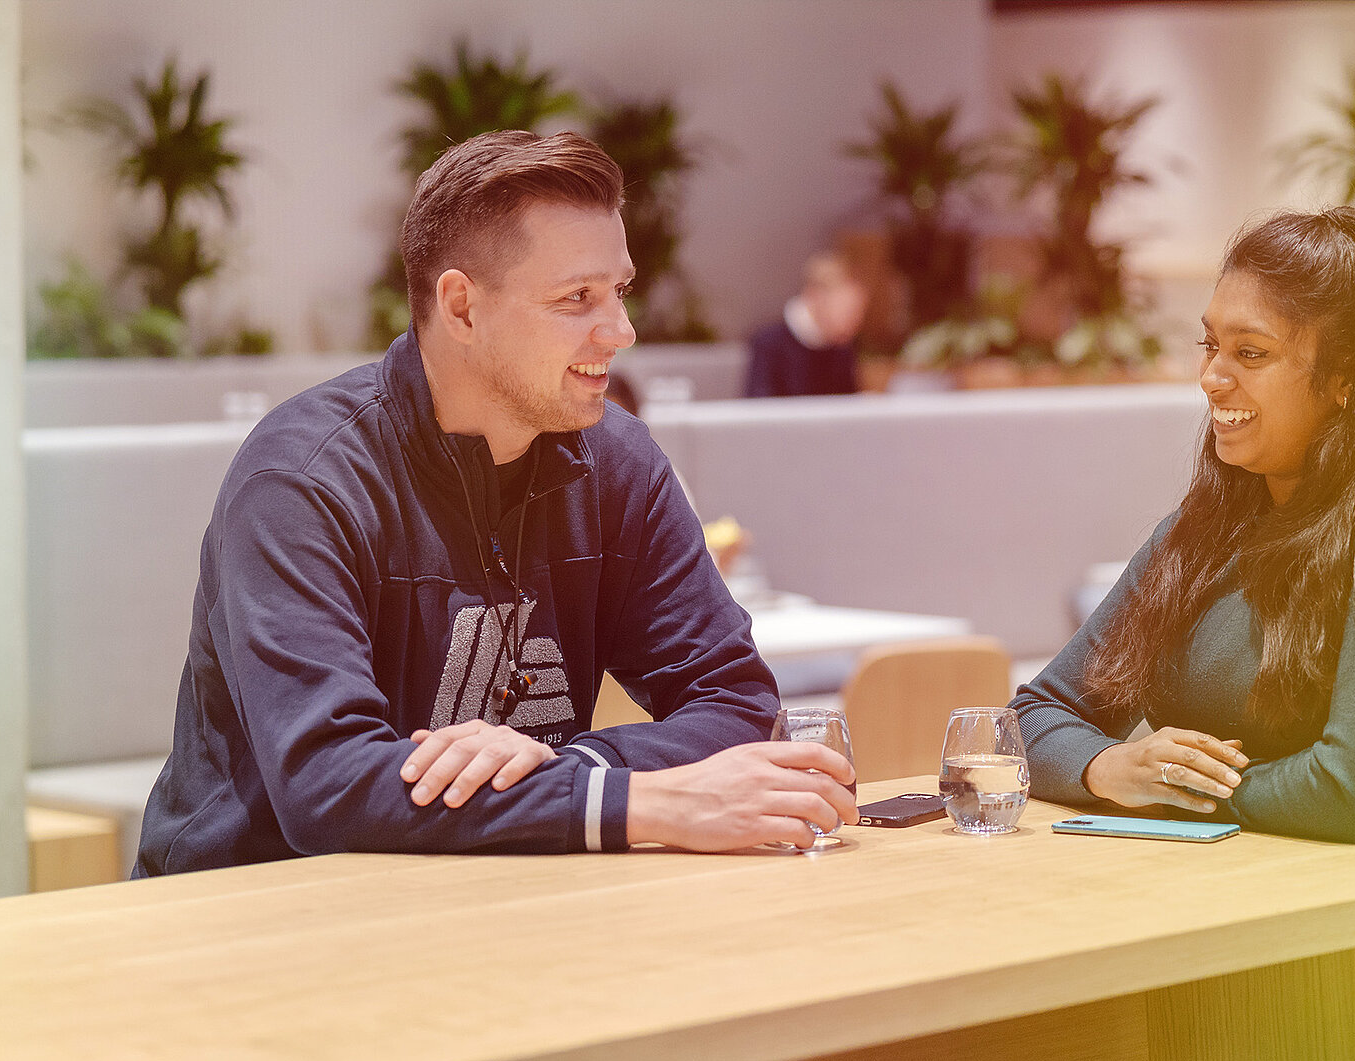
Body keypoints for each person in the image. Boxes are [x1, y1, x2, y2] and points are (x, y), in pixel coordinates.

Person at [137, 131, 855, 876]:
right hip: (254, 923)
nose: (621, 332)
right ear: (462, 308)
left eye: (619, 292)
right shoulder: (303, 481)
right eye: (576, 298)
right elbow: (328, 784)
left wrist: (567, 762)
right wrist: (641, 802)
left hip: (496, 905)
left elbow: (732, 698)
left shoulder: (619, 463)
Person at [1012, 207, 1355, 1061]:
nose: (1211, 378)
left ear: (1345, 378)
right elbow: (1037, 713)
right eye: (1209, 347)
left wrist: (1165, 794)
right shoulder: (1206, 527)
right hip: (1209, 964)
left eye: (1250, 354)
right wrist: (1105, 770)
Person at [742, 252, 869, 397]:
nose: (855, 322)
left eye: (858, 313)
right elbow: (758, 409)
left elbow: (848, 406)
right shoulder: (769, 343)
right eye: (847, 311)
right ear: (815, 297)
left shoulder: (842, 347)